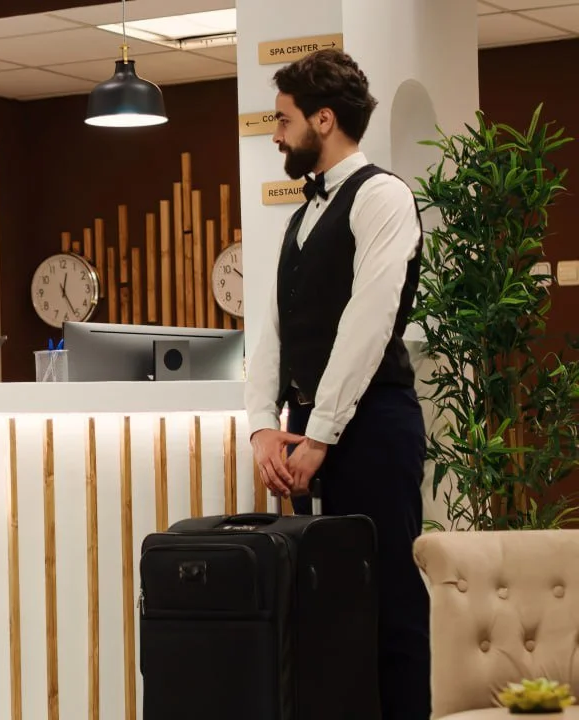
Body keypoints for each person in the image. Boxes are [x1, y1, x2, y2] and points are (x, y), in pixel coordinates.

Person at [244, 49, 430, 720]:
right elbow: (272, 330)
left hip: (373, 425)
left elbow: (368, 324)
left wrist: (319, 435)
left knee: (388, 602)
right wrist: (264, 424)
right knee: (328, 609)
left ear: (324, 120)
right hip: (307, 429)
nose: (276, 134)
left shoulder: (382, 196)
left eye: (284, 120)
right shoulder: (300, 218)